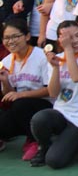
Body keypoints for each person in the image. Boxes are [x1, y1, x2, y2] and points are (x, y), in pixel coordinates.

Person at [29, 20, 78, 168]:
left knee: (55, 161)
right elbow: (53, 93)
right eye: (68, 38)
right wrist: (55, 67)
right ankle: (44, 146)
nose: (75, 41)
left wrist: (68, 49)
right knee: (39, 119)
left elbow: (77, 77)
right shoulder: (57, 58)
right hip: (61, 112)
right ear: (59, 40)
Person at [0, 17, 51, 160]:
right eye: (6, 38)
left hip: (45, 105)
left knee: (20, 104)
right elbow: (9, 96)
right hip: (20, 106)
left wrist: (21, 95)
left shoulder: (42, 56)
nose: (10, 41)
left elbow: (50, 90)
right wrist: (5, 81)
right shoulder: (6, 61)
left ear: (27, 36)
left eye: (15, 36)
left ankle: (36, 141)